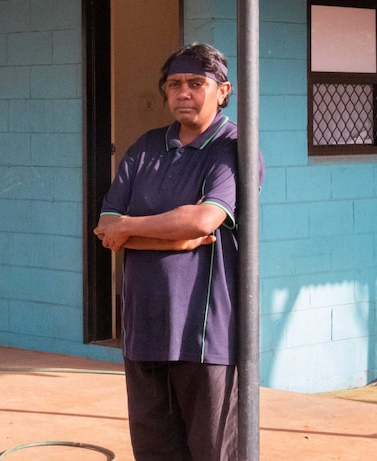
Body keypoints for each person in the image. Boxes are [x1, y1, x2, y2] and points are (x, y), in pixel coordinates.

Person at [94, 42, 262, 461]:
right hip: (144, 329)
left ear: (223, 90)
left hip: (205, 337)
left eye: (195, 83)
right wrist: (174, 237)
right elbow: (106, 228)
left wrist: (133, 228)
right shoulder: (146, 148)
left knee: (212, 452)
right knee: (153, 450)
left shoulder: (234, 149)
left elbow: (203, 221)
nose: (183, 92)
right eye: (174, 84)